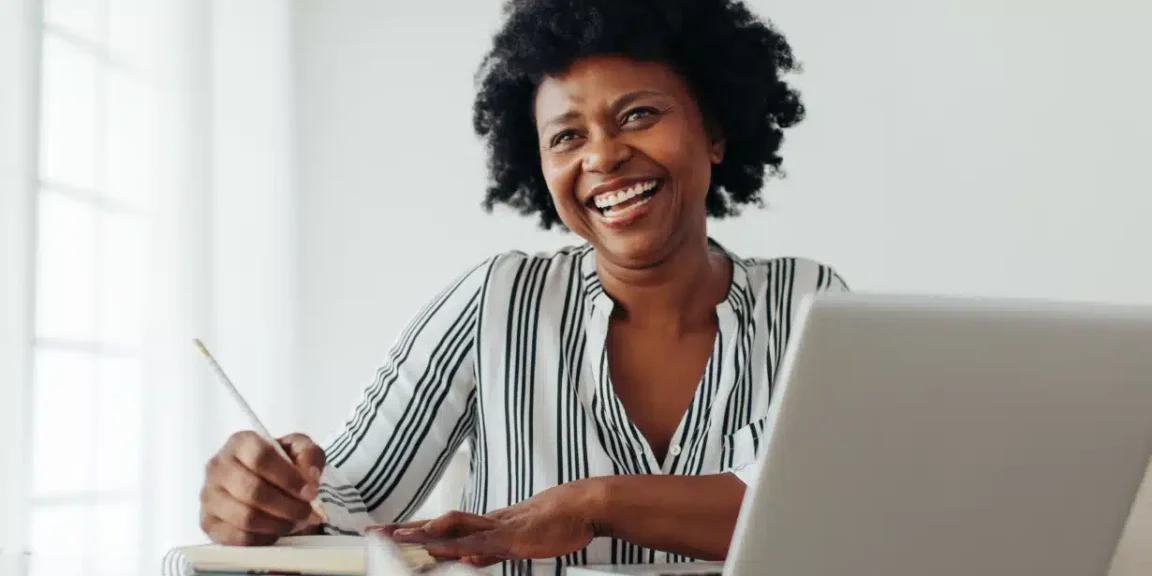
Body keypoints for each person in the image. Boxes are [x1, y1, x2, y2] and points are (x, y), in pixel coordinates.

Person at [197, 0, 849, 572]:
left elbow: (824, 509)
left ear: (713, 131)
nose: (601, 156)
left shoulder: (806, 303)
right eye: (568, 136)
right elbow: (352, 501)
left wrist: (591, 507)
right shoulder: (495, 301)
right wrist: (275, 499)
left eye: (639, 114)